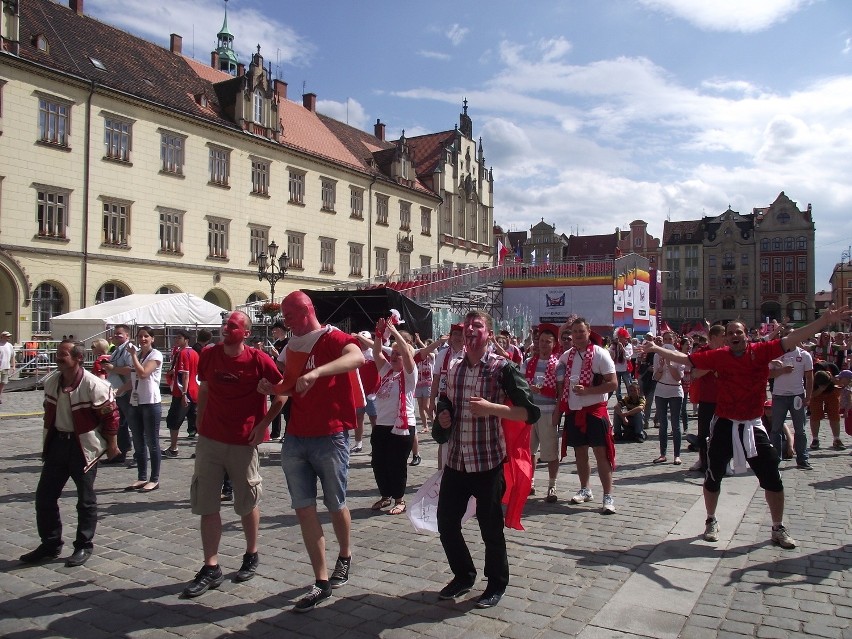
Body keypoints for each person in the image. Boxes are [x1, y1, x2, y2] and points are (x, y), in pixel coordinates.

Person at [641, 306, 852, 549]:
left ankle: (777, 527)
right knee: (713, 475)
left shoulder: (761, 351)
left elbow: (795, 337)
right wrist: (657, 349)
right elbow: (686, 360)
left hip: (753, 424)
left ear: (745, 335)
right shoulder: (719, 355)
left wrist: (824, 320)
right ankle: (710, 520)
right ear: (726, 337)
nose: (734, 336)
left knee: (772, 476)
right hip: (725, 423)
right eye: (730, 333)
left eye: (738, 332)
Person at [259, 291, 364, 613]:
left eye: (289, 316)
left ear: (305, 311)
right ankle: (320, 579)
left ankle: (344, 555)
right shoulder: (290, 347)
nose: (285, 323)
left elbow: (356, 357)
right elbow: (286, 386)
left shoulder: (332, 337)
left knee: (335, 503)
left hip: (330, 435)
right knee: (304, 508)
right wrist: (271, 389)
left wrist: (318, 372)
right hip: (296, 438)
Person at [434, 310, 539, 609]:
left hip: (487, 462)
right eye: (467, 325)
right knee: (446, 522)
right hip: (456, 459)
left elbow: (529, 412)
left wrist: (494, 408)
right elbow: (447, 403)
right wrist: (444, 415)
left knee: (490, 527)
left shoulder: (501, 368)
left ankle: (496, 584)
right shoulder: (453, 367)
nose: (470, 329)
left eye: (477, 325)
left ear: (489, 334)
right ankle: (464, 575)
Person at [181, 311, 285, 598]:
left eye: (232, 325)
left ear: (246, 333)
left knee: (246, 500)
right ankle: (210, 566)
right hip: (211, 440)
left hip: (243, 441)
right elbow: (205, 388)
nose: (225, 329)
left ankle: (251, 553)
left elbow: (282, 392)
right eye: (225, 325)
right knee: (207, 502)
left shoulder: (258, 359)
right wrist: (200, 421)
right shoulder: (211, 354)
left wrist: (263, 425)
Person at [20, 340, 119, 567]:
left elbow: (111, 417)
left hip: (83, 447)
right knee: (45, 497)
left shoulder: (95, 385)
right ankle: (50, 544)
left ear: (78, 358)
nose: (58, 357)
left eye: (63, 354)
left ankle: (83, 545)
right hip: (58, 444)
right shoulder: (53, 381)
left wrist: (112, 446)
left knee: (85, 500)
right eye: (58, 353)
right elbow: (49, 412)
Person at [553, 318, 618, 514]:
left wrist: (589, 390)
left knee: (601, 453)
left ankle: (608, 496)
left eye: (582, 331)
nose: (579, 335)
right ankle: (585, 489)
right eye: (575, 332)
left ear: (589, 332)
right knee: (580, 453)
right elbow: (556, 369)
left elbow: (613, 383)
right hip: (574, 411)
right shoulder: (566, 356)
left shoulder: (600, 354)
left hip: (595, 410)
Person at [369, 319, 417, 515]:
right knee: (379, 462)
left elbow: (406, 353)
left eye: (398, 354)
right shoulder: (387, 371)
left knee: (396, 463)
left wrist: (394, 332)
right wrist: (379, 334)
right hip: (382, 424)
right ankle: (385, 495)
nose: (395, 356)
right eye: (393, 353)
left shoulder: (409, 373)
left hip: (402, 426)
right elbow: (376, 353)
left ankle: (400, 499)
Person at [523, 323, 565, 501]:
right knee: (529, 451)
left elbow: (561, 391)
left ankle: (552, 485)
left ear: (554, 344)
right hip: (531, 412)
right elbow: (521, 386)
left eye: (548, 342)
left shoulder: (558, 365)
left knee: (550, 452)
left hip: (548, 412)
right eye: (541, 341)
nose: (544, 345)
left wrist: (558, 412)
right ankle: (530, 482)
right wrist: (528, 388)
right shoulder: (528, 363)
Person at [768, 329, 814, 470]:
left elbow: (809, 377)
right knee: (775, 429)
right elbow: (768, 374)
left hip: (797, 395)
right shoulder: (775, 355)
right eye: (785, 336)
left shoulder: (804, 355)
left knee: (800, 429)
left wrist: (808, 396)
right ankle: (774, 459)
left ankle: (802, 459)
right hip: (779, 396)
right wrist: (781, 370)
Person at [125, 326, 163, 493]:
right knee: (138, 441)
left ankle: (154, 479)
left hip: (150, 402)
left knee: (152, 442)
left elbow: (143, 374)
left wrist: (133, 355)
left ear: (152, 339)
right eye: (140, 336)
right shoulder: (138, 355)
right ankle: (142, 476)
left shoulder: (155, 355)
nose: (143, 339)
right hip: (136, 401)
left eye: (146, 336)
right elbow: (132, 377)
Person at [687, 325, 725, 472]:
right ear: (714, 337)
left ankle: (724, 463)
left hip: (725, 398)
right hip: (707, 399)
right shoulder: (703, 352)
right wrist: (711, 366)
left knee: (723, 433)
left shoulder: (727, 352)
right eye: (723, 334)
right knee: (704, 433)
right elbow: (695, 373)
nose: (726, 337)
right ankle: (703, 461)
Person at [162, 330, 200, 458]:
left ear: (186, 340)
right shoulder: (195, 353)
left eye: (179, 338)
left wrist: (184, 393)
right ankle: (200, 449)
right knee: (196, 422)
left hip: (183, 393)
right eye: (176, 337)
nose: (176, 340)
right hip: (195, 391)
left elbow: (185, 374)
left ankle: (173, 447)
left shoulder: (183, 353)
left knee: (174, 421)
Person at [651, 331, 686, 466]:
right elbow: (655, 377)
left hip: (675, 390)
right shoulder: (656, 355)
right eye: (665, 339)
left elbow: (678, 377)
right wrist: (660, 367)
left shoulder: (679, 355)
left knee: (675, 424)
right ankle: (663, 454)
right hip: (661, 390)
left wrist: (669, 364)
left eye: (669, 339)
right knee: (663, 424)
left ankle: (677, 455)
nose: (667, 342)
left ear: (674, 340)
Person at [101, 325, 133, 464]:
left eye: (120, 334)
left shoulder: (129, 350)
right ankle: (119, 451)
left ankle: (136, 454)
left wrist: (113, 368)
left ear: (127, 336)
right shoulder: (116, 350)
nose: (116, 336)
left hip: (126, 391)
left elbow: (131, 370)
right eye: (115, 334)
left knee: (131, 423)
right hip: (116, 391)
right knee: (119, 423)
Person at [810, 357, 845, 451]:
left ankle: (836, 438)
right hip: (816, 392)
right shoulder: (811, 372)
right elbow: (810, 394)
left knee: (834, 414)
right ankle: (815, 439)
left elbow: (841, 383)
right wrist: (821, 389)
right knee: (815, 414)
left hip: (832, 391)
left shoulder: (832, 367)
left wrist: (832, 379)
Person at [266, 320, 289, 441]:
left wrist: (276, 355)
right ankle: (275, 432)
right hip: (275, 376)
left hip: (283, 376)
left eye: (275, 330)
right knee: (274, 404)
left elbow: (285, 360)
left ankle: (286, 433)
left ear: (281, 330)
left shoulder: (288, 343)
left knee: (285, 407)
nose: (273, 332)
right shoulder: (276, 343)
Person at [610, 328, 633, 400]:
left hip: (625, 369)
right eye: (619, 337)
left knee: (629, 385)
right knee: (617, 387)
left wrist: (622, 348)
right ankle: (619, 401)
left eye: (622, 337)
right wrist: (613, 350)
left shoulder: (628, 346)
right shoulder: (613, 345)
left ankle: (631, 399)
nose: (620, 339)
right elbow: (611, 356)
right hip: (616, 369)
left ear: (625, 338)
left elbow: (628, 357)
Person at [0, 330, 16, 404]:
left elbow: (13, 356)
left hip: (6, 367)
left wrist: (13, 366)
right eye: (7, 336)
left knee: (3, 383)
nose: (8, 337)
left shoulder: (9, 345)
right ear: (2, 336)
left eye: (9, 336)